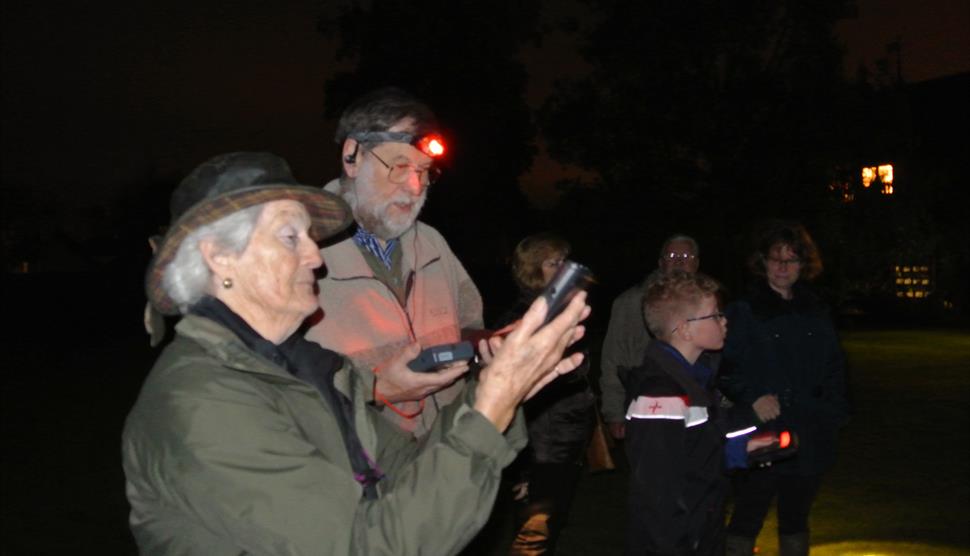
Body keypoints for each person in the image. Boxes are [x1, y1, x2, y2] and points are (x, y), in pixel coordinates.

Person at [122, 152, 591, 555]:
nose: (317, 257)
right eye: (291, 237)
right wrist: (492, 407)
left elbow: (410, 476)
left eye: (310, 237)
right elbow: (368, 544)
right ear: (219, 256)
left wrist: (493, 394)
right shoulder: (202, 401)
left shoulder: (312, 372)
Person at [305, 87, 483, 437]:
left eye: (425, 171)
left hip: (442, 455)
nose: (416, 187)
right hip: (355, 470)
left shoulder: (432, 243)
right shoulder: (298, 251)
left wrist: (491, 345)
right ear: (352, 156)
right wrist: (376, 389)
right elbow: (270, 387)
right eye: (400, 167)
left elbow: (469, 325)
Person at [719, 221, 850, 556]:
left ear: (802, 265)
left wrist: (832, 414)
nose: (782, 267)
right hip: (765, 430)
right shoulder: (744, 310)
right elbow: (725, 367)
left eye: (790, 260)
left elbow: (835, 366)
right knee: (749, 511)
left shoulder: (815, 310)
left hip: (809, 427)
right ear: (762, 262)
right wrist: (752, 398)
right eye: (775, 258)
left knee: (797, 515)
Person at [623, 271, 770, 556]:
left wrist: (742, 448)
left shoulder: (695, 381)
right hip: (677, 541)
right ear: (685, 329)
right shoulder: (662, 396)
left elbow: (694, 453)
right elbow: (658, 492)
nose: (724, 321)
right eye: (714, 315)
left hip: (701, 529)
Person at [493, 233, 596, 555]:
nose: (564, 269)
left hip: (565, 440)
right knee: (534, 530)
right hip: (540, 446)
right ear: (531, 269)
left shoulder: (559, 311)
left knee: (551, 522)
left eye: (565, 261)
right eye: (554, 263)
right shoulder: (524, 318)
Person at [600, 234, 701, 439]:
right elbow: (613, 359)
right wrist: (615, 413)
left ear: (697, 264)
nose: (680, 261)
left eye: (686, 255)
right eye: (672, 255)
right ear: (661, 263)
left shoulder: (708, 301)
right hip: (647, 406)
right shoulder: (630, 303)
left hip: (698, 407)